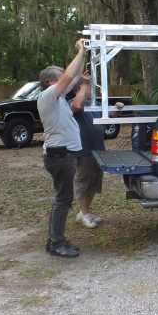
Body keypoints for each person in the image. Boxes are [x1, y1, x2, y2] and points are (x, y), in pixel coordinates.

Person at [36, 40, 86, 258]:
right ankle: (56, 242)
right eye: (60, 76)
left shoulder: (59, 99)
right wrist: (81, 50)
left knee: (63, 198)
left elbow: (73, 77)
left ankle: (55, 240)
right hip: (60, 156)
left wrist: (85, 54)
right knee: (63, 199)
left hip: (64, 154)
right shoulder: (48, 96)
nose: (65, 79)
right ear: (49, 82)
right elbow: (69, 77)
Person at [70, 76, 123, 228]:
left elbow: (109, 114)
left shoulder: (95, 104)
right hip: (83, 150)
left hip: (98, 149)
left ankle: (84, 212)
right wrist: (83, 85)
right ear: (79, 89)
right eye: (88, 88)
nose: (91, 90)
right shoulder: (73, 103)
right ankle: (84, 213)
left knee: (94, 182)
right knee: (83, 182)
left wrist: (117, 108)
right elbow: (76, 106)